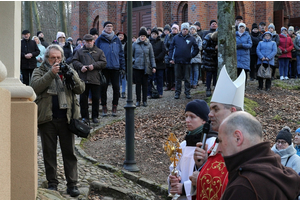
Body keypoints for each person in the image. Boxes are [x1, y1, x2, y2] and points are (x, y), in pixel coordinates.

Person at [30, 44, 85, 197]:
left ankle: (72, 184)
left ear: (62, 58)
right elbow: (34, 87)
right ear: (47, 58)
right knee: (49, 153)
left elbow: (80, 89)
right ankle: (52, 183)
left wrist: (71, 75)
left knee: (69, 153)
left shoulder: (67, 68)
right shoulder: (39, 70)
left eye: (58, 58)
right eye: (53, 57)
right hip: (47, 119)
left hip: (67, 119)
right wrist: (50, 73)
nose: (56, 60)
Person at [189, 66, 246, 200]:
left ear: (233, 111)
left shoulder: (245, 144)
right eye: (210, 109)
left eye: (215, 109)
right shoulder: (217, 142)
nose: (210, 114)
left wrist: (201, 179)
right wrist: (201, 164)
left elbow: (242, 187)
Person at [218, 112, 300, 200]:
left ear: (238, 138)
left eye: (220, 141)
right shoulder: (277, 169)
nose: (219, 148)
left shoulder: (244, 188)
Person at [168, 100, 218, 200]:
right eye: (186, 116)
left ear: (204, 120)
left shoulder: (212, 143)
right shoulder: (183, 144)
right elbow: (174, 168)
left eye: (192, 117)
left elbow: (210, 175)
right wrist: (174, 180)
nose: (187, 120)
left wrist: (185, 188)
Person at [72, 34, 107, 123]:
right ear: (84, 42)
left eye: (90, 41)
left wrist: (94, 66)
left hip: (95, 78)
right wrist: (81, 67)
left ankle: (95, 116)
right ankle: (85, 117)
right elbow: (74, 61)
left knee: (95, 98)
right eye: (87, 42)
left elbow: (104, 62)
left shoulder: (99, 51)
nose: (89, 43)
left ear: (93, 41)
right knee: (83, 99)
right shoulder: (79, 51)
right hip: (83, 78)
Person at [95, 21, 125, 116]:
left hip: (115, 67)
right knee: (103, 88)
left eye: (111, 26)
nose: (109, 28)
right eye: (107, 26)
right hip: (104, 68)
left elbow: (121, 54)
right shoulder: (99, 39)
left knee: (116, 88)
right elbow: (95, 54)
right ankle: (104, 106)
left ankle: (114, 106)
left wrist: (122, 67)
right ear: (104, 28)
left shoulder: (117, 40)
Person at [169, 22, 199, 99]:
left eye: (186, 29)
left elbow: (196, 48)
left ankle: (187, 92)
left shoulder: (192, 38)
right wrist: (171, 58)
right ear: (181, 30)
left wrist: (191, 55)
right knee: (178, 78)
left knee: (187, 78)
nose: (185, 30)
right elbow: (171, 48)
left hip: (187, 61)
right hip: (177, 61)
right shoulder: (176, 38)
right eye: (183, 29)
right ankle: (177, 93)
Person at [132, 28, 156, 107]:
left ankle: (144, 100)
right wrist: (133, 61)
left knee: (145, 85)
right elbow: (130, 55)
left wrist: (153, 66)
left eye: (144, 36)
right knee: (138, 84)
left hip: (146, 67)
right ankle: (138, 100)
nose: (143, 37)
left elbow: (151, 56)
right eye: (141, 36)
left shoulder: (149, 45)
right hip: (137, 67)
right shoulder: (135, 44)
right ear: (139, 36)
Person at [148, 28, 166, 98]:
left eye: (155, 34)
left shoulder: (161, 42)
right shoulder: (148, 42)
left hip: (159, 63)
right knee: (150, 79)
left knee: (160, 78)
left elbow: (163, 51)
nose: (153, 35)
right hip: (151, 63)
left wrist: (158, 58)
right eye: (152, 34)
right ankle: (149, 93)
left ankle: (160, 92)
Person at [202, 31, 218, 97]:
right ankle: (208, 88)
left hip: (215, 59)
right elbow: (204, 47)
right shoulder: (207, 38)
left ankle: (215, 87)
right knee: (209, 75)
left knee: (215, 75)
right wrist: (214, 49)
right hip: (208, 59)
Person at [164, 24, 179, 91]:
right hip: (168, 55)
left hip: (175, 55)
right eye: (173, 29)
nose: (174, 30)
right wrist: (167, 51)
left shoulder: (179, 36)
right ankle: (168, 84)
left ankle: (174, 84)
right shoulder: (168, 36)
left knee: (174, 71)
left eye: (175, 29)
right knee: (168, 71)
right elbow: (164, 44)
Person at [189, 25, 202, 89]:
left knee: (196, 70)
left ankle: (195, 83)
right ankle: (191, 82)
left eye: (193, 29)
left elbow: (200, 46)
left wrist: (195, 51)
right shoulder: (188, 37)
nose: (192, 30)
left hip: (197, 55)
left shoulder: (198, 38)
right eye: (191, 29)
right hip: (189, 55)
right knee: (190, 70)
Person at [116, 32, 127, 99]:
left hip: (124, 62)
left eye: (122, 35)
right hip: (116, 62)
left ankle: (123, 92)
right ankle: (118, 91)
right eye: (119, 35)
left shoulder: (126, 44)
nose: (120, 37)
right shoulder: (115, 43)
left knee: (123, 77)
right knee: (117, 79)